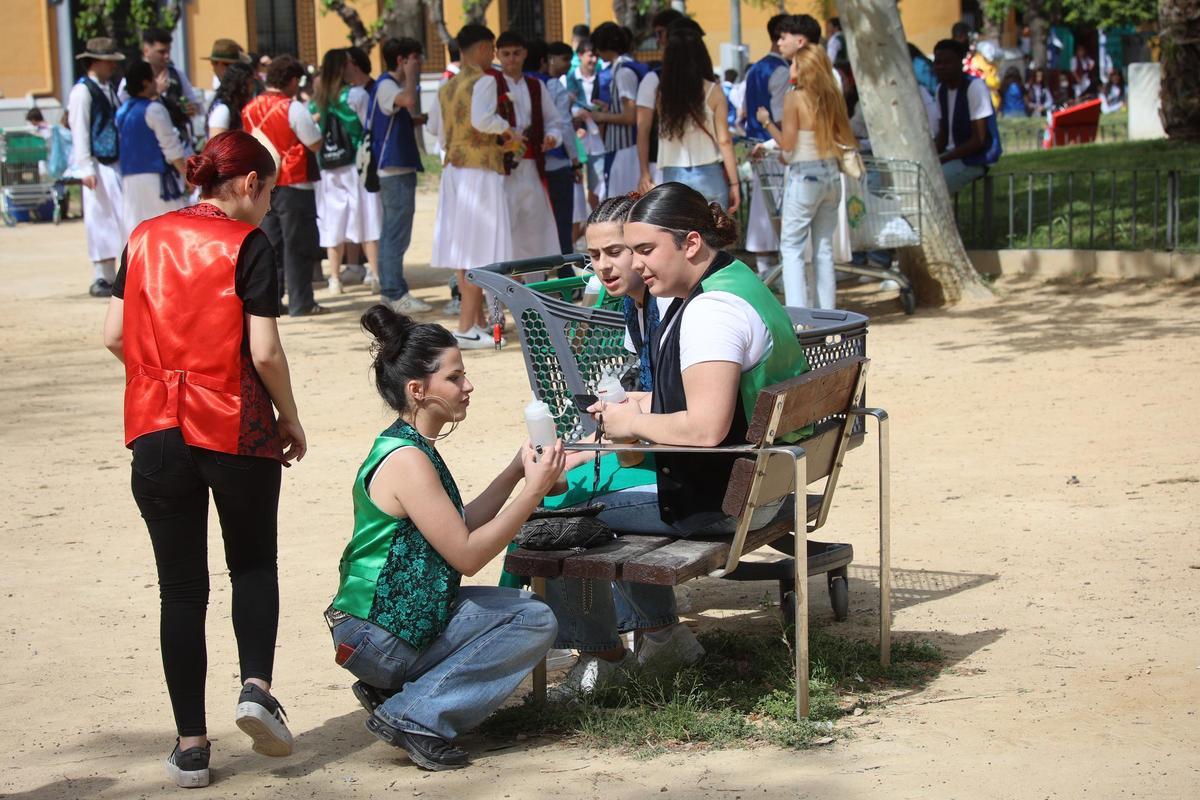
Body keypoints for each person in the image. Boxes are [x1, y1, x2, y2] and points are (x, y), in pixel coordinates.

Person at [545, 183, 812, 696]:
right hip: (768, 480)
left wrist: (632, 424)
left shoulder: (709, 311)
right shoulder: (734, 279)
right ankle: (663, 639)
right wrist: (639, 408)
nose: (637, 265)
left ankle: (607, 658)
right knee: (592, 486)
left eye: (645, 250)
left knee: (555, 517)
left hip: (732, 499)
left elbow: (706, 429)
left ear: (690, 244)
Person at [102, 131, 306, 788]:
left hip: (156, 426)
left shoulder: (142, 237)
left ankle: (191, 745)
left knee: (181, 589)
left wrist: (159, 377)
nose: (269, 203)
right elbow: (266, 352)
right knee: (252, 564)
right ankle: (254, 688)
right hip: (234, 424)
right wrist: (289, 417)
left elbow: (113, 334)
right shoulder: (249, 244)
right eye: (269, 189)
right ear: (248, 184)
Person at [327, 304, 564, 771]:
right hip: (379, 634)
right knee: (532, 622)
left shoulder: (410, 444)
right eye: (455, 378)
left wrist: (516, 473)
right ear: (418, 390)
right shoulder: (407, 460)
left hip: (389, 623)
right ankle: (415, 714)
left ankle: (395, 690)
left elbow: (460, 523)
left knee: (527, 613)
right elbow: (467, 554)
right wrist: (533, 492)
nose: (468, 385)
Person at [428, 24, 518, 348]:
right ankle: (468, 324)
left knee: (464, 251)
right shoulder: (483, 82)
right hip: (479, 172)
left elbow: (435, 130)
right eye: (492, 48)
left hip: (455, 171)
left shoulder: (445, 87)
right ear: (482, 48)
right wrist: (508, 129)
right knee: (477, 250)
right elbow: (482, 120)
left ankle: (475, 322)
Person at [757, 44, 857, 310]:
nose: (790, 68)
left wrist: (767, 122)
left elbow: (787, 145)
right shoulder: (833, 97)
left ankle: (798, 316)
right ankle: (826, 313)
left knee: (791, 248)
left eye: (794, 64)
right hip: (831, 175)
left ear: (804, 69)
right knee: (823, 249)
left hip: (805, 177)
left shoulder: (795, 97)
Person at [242, 54, 326, 317]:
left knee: (271, 244)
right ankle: (302, 301)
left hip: (264, 183)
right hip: (293, 180)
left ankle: (272, 301)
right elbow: (313, 142)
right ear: (291, 80)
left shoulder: (250, 107)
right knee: (297, 243)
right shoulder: (293, 107)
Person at [641, 21, 739, 213]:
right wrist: (734, 183)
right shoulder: (713, 91)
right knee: (713, 238)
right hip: (709, 172)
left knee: (679, 239)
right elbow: (725, 140)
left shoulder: (662, 94)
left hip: (673, 174)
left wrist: (644, 171)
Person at [310, 48, 381, 296]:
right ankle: (374, 274)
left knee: (333, 221)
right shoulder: (357, 95)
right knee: (366, 215)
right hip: (355, 165)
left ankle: (335, 279)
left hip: (327, 169)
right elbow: (368, 127)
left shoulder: (316, 101)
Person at [368, 38, 428, 306]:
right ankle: (394, 292)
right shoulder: (387, 85)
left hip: (396, 168)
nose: (420, 63)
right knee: (396, 233)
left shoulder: (386, 84)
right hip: (393, 170)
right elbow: (407, 99)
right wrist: (412, 75)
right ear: (402, 59)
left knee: (393, 231)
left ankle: (392, 288)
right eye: (415, 58)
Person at [68, 37, 125, 298]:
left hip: (112, 160)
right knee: (99, 216)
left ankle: (112, 273)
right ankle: (101, 275)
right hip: (97, 163)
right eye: (109, 61)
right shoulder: (82, 91)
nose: (113, 66)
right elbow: (79, 129)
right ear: (96, 62)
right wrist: (85, 167)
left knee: (115, 216)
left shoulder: (108, 88)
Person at [741, 15, 791, 276]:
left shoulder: (755, 69)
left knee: (764, 209)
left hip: (757, 144)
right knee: (779, 211)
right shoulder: (782, 71)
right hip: (774, 147)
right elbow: (782, 117)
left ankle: (765, 269)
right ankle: (777, 272)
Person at [116, 61, 189, 237]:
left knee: (137, 231)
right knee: (170, 231)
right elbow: (171, 148)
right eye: (153, 78)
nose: (157, 81)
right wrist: (187, 175)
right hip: (156, 180)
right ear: (145, 82)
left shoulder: (122, 111)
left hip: (129, 180)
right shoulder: (154, 109)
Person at [932, 39, 1001, 195]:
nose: (941, 67)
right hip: (951, 155)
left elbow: (978, 140)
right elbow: (943, 135)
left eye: (947, 62)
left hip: (975, 158)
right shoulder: (940, 90)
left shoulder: (975, 87)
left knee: (933, 184)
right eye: (938, 63)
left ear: (960, 63)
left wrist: (945, 159)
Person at [120, 28, 201, 153]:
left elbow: (196, 106)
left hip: (179, 144)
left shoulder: (177, 75)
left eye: (168, 51)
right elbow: (125, 112)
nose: (167, 56)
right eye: (161, 52)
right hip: (147, 149)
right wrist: (155, 92)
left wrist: (192, 108)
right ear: (146, 50)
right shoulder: (131, 78)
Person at [590, 22, 648, 198]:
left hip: (624, 149)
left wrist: (602, 115)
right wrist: (610, 109)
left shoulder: (623, 71)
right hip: (627, 149)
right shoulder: (629, 66)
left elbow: (630, 115)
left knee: (620, 204)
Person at [543, 41, 585, 254]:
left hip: (534, 163)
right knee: (562, 220)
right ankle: (565, 270)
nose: (568, 65)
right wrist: (575, 161)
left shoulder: (529, 83)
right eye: (565, 59)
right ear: (549, 59)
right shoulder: (553, 86)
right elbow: (564, 126)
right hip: (557, 160)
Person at [566, 39, 606, 210]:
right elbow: (567, 106)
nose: (594, 60)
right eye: (591, 56)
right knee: (581, 183)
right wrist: (578, 113)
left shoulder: (602, 75)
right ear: (580, 56)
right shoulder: (571, 77)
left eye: (596, 56)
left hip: (599, 138)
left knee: (598, 181)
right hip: (580, 137)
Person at [207, 61, 256, 137]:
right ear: (240, 84)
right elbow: (216, 145)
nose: (252, 87)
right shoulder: (222, 110)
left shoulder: (236, 108)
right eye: (251, 82)